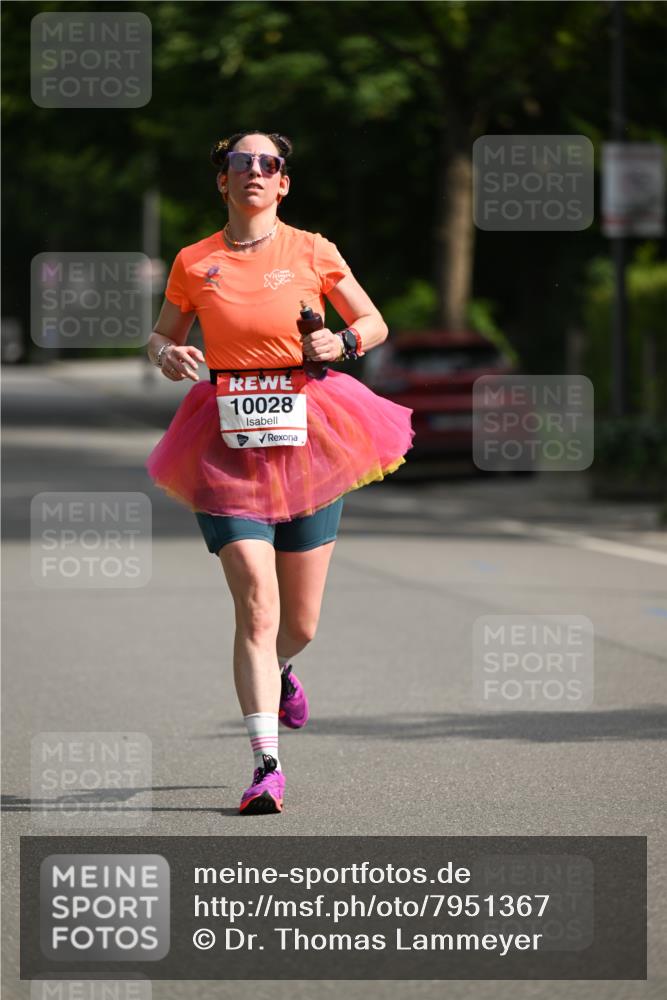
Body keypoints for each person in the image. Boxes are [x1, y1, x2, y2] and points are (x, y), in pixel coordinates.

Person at [145, 130, 414, 816]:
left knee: (299, 622)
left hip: (309, 430)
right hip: (224, 438)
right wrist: (166, 356)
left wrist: (341, 340)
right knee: (256, 606)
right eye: (241, 163)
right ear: (223, 182)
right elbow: (161, 336)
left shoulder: (312, 250)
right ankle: (266, 764)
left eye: (268, 164)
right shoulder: (193, 260)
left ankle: (284, 669)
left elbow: (373, 321)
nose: (255, 172)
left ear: (283, 183)